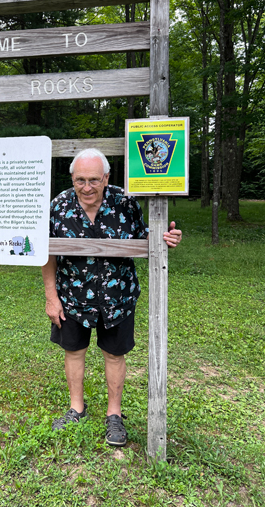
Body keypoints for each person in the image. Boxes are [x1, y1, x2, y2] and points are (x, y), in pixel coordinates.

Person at [41, 148, 182, 446]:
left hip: (118, 296)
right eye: (80, 180)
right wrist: (51, 296)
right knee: (73, 351)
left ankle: (114, 415)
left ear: (106, 178)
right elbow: (47, 253)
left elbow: (145, 238)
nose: (87, 187)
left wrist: (164, 239)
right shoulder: (58, 205)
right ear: (72, 178)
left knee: (115, 354)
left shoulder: (126, 202)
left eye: (94, 179)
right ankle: (76, 408)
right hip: (72, 296)